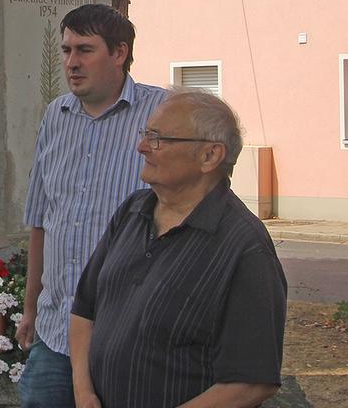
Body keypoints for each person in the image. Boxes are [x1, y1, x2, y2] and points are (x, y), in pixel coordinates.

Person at [69, 90, 287, 408]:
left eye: (158, 138)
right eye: (146, 134)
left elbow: (251, 382)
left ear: (210, 156)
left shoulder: (245, 248)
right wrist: (84, 393)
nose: (142, 146)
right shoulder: (132, 211)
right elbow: (84, 311)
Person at [17, 3, 167, 407]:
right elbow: (41, 222)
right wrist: (30, 308)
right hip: (55, 332)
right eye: (66, 51)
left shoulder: (162, 115)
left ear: (119, 53)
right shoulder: (55, 116)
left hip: (126, 333)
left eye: (85, 50)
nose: (72, 63)